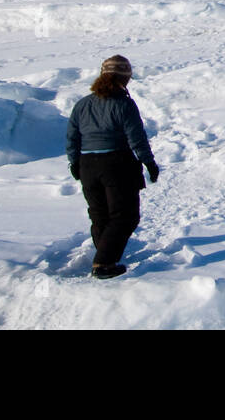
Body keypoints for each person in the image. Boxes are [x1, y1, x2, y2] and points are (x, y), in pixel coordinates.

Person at [66, 55, 160, 279]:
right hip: (117, 164)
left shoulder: (83, 104)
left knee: (100, 216)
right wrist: (148, 162)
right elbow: (136, 137)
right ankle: (104, 263)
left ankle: (104, 256)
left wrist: (75, 162)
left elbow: (72, 137)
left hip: (88, 165)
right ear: (125, 78)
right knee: (125, 216)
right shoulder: (123, 104)